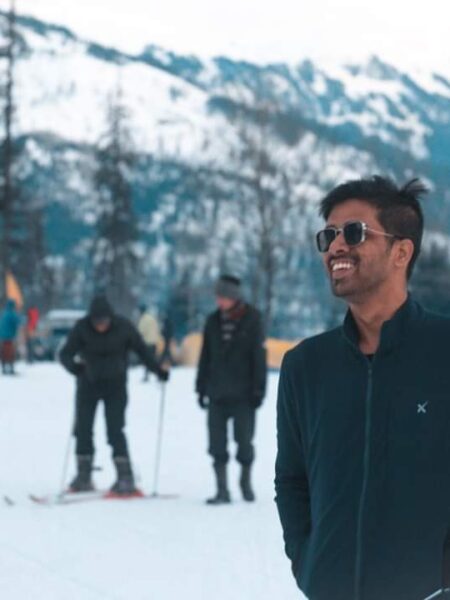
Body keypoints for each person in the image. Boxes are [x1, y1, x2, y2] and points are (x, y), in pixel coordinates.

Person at [275, 176, 450, 600]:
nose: (335, 246)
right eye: (328, 236)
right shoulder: (305, 366)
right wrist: (309, 564)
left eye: (354, 232)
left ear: (401, 252)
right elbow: (293, 481)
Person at [60, 295, 169, 495]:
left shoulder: (124, 327)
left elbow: (142, 350)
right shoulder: (81, 328)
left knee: (115, 430)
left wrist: (158, 370)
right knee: (83, 429)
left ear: (110, 318)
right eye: (96, 322)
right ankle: (83, 476)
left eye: (104, 321)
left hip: (115, 387)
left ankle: (125, 477)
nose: (100, 326)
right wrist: (76, 368)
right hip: (88, 386)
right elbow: (65, 354)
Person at [196, 274, 267, 505]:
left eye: (223, 297)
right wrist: (200, 387)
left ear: (234, 297)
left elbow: (259, 357)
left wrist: (259, 390)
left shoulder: (253, 319)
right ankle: (222, 489)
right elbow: (205, 355)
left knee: (244, 441)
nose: (219, 301)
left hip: (244, 395)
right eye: (217, 297)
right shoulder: (212, 321)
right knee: (216, 443)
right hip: (217, 393)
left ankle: (245, 483)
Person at [137, 304, 160, 381]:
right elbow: (157, 328)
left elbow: (141, 331)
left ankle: (146, 376)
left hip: (147, 342)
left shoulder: (143, 319)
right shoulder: (152, 318)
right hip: (154, 342)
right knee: (153, 359)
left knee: (147, 360)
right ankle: (158, 374)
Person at [0, 299, 21, 375]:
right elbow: (19, 321)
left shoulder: (3, 313)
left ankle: (4, 368)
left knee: (3, 352)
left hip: (2, 337)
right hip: (10, 337)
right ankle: (11, 368)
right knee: (11, 352)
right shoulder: (12, 314)